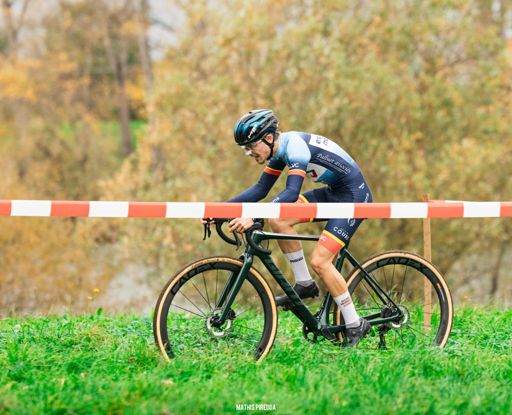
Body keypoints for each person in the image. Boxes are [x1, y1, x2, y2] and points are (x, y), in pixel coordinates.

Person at [226, 109, 373, 346]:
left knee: (321, 262)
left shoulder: (295, 147)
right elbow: (260, 190)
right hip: (334, 193)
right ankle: (304, 284)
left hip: (353, 198)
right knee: (279, 220)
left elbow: (292, 193)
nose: (249, 152)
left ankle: (355, 323)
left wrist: (254, 215)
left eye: (251, 146)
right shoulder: (279, 151)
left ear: (269, 137)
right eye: (245, 148)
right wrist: (220, 210)